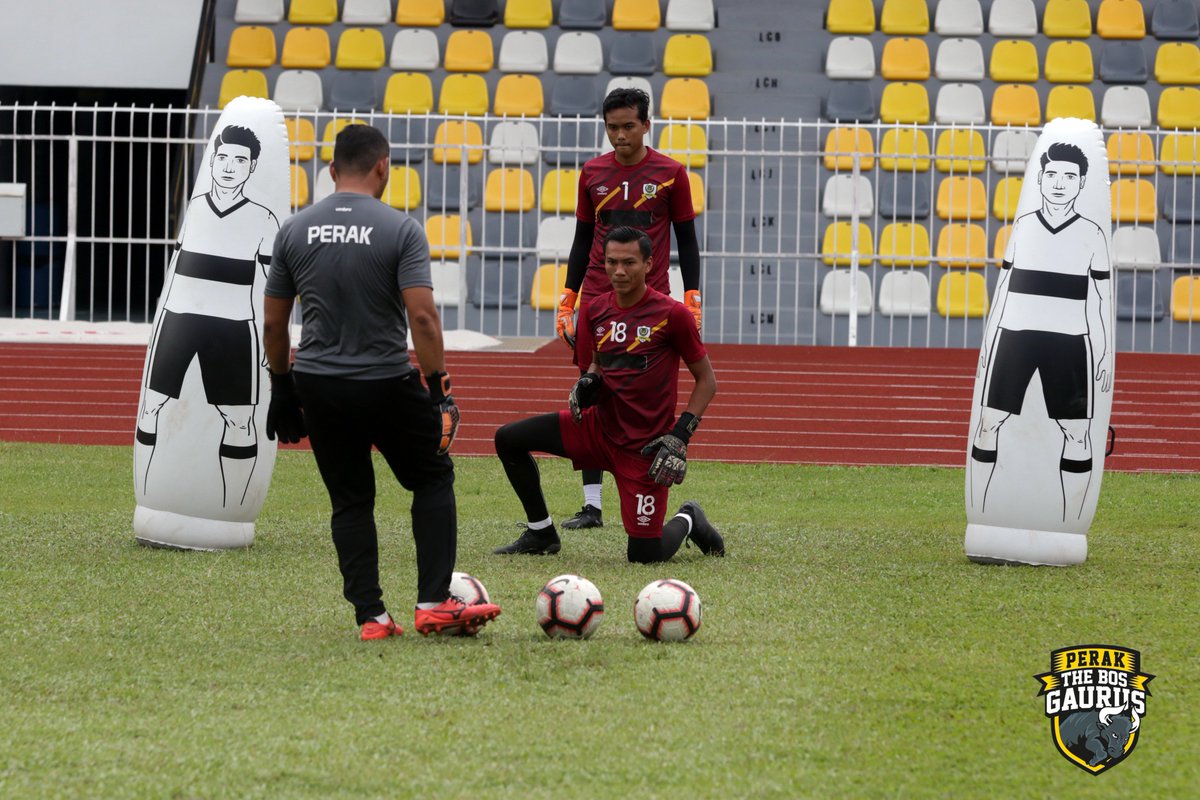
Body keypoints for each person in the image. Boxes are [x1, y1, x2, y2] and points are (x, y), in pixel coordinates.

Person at [262, 124, 501, 640]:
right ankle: (433, 603)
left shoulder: (293, 230)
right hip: (385, 381)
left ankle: (371, 618)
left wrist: (283, 389)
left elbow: (274, 325)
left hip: (319, 384)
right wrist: (440, 390)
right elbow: (424, 320)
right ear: (382, 167)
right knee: (432, 477)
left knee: (351, 501)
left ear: (330, 171)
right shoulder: (401, 228)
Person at [493, 226, 723, 562]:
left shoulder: (673, 315)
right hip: (596, 429)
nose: (618, 271)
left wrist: (680, 435)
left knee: (645, 555)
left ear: (648, 264)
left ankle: (689, 517)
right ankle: (541, 532)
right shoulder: (594, 310)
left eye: (629, 262)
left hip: (644, 449)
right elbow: (597, 364)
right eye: (611, 262)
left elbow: (707, 381)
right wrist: (588, 381)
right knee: (508, 439)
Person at [553, 87, 703, 533]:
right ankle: (592, 505)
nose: (619, 135)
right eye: (612, 127)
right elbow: (583, 240)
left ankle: (644, 492)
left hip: (650, 304)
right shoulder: (591, 173)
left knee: (641, 398)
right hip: (599, 304)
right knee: (590, 392)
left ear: (646, 125)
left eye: (628, 126)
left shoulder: (672, 174)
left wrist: (691, 296)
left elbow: (687, 241)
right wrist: (569, 297)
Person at [136, 125, 279, 506]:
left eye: (239, 160)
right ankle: (149, 493)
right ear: (212, 161)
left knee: (238, 419)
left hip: (233, 328)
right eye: (223, 158)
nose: (230, 167)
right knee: (151, 404)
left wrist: (270, 337)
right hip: (179, 319)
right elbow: (175, 270)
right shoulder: (195, 207)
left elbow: (272, 285)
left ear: (251, 168)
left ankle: (230, 508)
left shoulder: (264, 220)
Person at [970, 141, 1111, 521]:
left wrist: (1104, 352)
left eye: (1069, 176)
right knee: (988, 421)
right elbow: (1003, 287)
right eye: (1052, 175)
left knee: (1077, 433)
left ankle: (1069, 522)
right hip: (1015, 337)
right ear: (1040, 178)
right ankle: (982, 512)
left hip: (1068, 343)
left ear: (1081, 183)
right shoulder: (1024, 226)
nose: (1060, 183)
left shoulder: (1093, 234)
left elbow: (1099, 300)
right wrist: (990, 340)